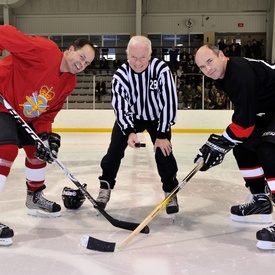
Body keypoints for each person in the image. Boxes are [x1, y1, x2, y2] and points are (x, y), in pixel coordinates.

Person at [0, 24, 95, 245]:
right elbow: (5, 33)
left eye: (87, 63)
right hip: (3, 103)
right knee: (6, 149)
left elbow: (47, 113)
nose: (81, 64)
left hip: (24, 115)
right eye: (81, 56)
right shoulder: (46, 50)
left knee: (38, 151)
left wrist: (44, 136)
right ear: (70, 49)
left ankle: (34, 198)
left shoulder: (69, 82)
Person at [194, 44, 275, 250]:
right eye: (202, 67)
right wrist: (223, 143)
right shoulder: (224, 76)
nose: (208, 69)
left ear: (221, 55)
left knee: (269, 153)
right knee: (243, 149)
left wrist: (219, 144)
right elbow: (245, 116)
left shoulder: (238, 73)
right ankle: (261, 200)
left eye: (210, 61)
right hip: (266, 113)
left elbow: (244, 123)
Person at [96, 35, 179, 215]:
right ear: (127, 54)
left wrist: (162, 134)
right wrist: (129, 132)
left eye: (143, 57)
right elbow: (120, 106)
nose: (138, 62)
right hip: (132, 117)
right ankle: (105, 186)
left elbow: (169, 102)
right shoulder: (121, 75)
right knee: (114, 150)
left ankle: (170, 190)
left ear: (150, 55)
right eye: (134, 56)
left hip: (157, 117)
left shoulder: (161, 70)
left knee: (163, 151)